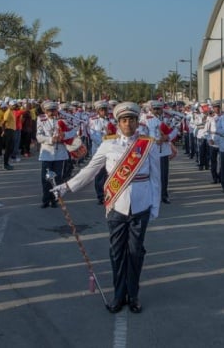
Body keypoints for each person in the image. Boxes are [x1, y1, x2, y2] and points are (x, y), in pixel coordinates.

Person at [49, 102, 160, 314]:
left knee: (136, 252)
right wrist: (66, 187)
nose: (128, 124)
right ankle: (119, 295)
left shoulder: (148, 145)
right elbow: (90, 170)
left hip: (141, 205)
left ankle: (133, 294)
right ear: (117, 123)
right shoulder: (108, 145)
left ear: (138, 122)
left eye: (132, 120)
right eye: (124, 120)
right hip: (116, 206)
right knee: (117, 252)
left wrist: (154, 207)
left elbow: (156, 178)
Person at [36, 101, 77, 208]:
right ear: (45, 111)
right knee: (46, 178)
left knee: (58, 178)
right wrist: (51, 139)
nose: (52, 113)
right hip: (47, 153)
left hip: (60, 153)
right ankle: (45, 200)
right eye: (49, 111)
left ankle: (55, 200)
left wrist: (64, 135)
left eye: (53, 110)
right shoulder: (41, 119)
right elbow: (39, 136)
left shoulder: (64, 119)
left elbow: (74, 131)